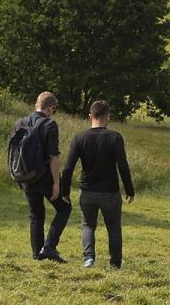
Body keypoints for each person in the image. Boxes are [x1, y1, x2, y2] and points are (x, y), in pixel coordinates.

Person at [60, 100, 135, 269]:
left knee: (88, 225)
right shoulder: (115, 137)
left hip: (87, 191)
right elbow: (123, 166)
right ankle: (115, 263)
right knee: (114, 227)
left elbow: (68, 168)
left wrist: (65, 191)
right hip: (110, 192)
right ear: (108, 116)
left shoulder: (79, 138)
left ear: (90, 116)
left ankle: (89, 258)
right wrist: (129, 189)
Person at [16, 92, 71, 263]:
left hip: (26, 176)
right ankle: (49, 247)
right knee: (64, 208)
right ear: (50, 107)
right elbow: (54, 156)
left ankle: (36, 253)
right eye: (53, 110)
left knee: (36, 215)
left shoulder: (20, 123)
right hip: (45, 177)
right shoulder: (49, 125)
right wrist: (56, 182)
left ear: (36, 105)